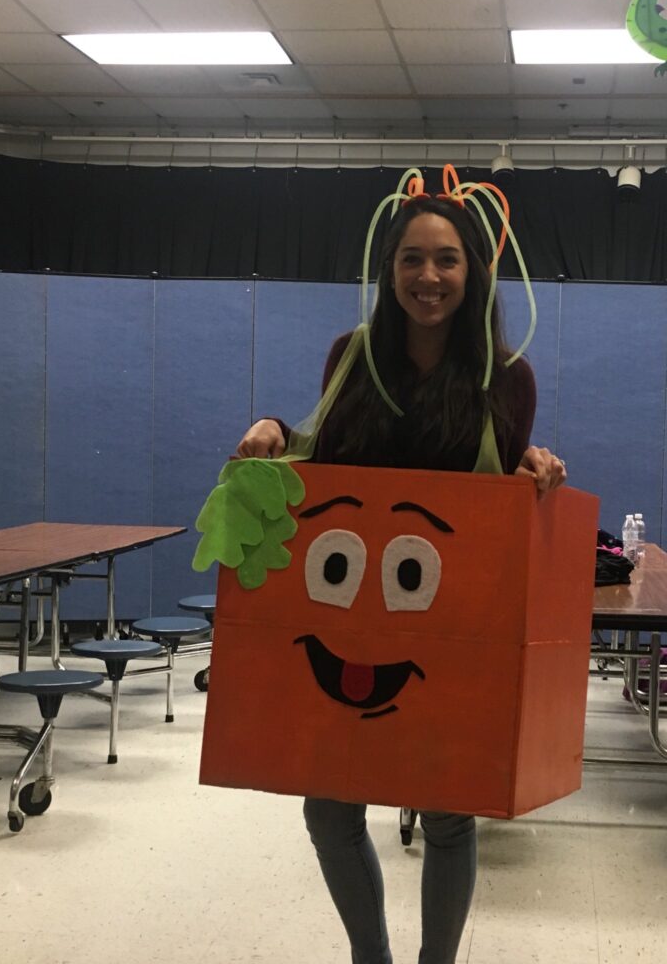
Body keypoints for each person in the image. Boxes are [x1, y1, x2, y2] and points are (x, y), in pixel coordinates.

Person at [234, 190, 567, 964]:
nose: (428, 275)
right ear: (389, 271)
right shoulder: (349, 355)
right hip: (351, 617)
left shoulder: (506, 378)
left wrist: (529, 467)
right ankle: (370, 958)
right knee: (328, 809)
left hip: (448, 632)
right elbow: (317, 461)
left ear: (474, 271)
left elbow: (496, 503)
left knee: (450, 816)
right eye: (411, 258)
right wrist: (273, 431)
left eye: (446, 258)